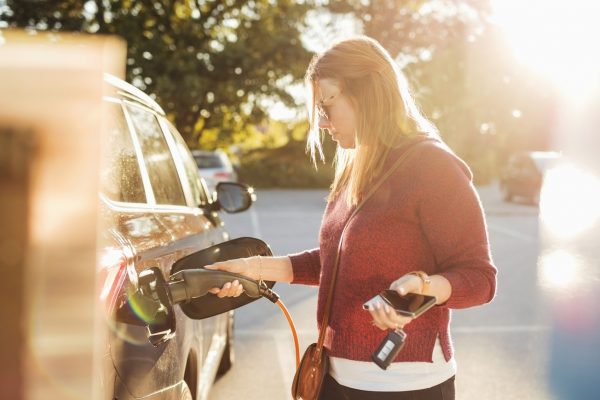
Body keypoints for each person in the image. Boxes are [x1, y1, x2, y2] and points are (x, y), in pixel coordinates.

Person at [204, 35, 497, 400]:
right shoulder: (357, 167)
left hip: (407, 385)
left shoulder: (433, 166)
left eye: (327, 105)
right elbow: (336, 261)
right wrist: (256, 268)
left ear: (368, 94)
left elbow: (480, 279)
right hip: (335, 377)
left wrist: (423, 286)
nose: (323, 123)